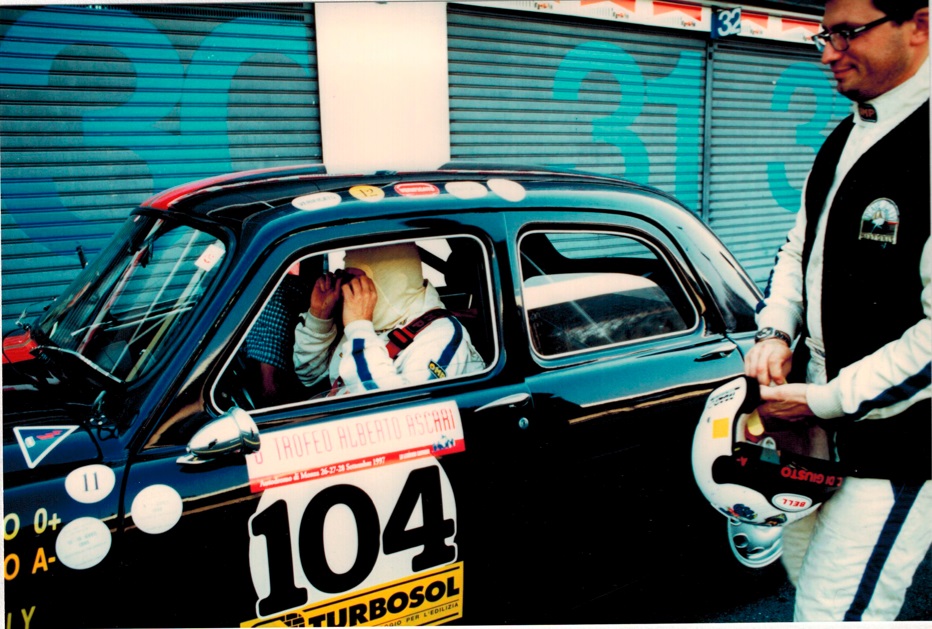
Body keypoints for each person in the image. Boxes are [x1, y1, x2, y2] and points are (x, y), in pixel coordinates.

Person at [744, 0, 931, 621]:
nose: (827, 53)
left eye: (849, 34)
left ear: (920, 25)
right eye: (825, 35)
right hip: (816, 435)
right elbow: (798, 249)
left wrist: (824, 399)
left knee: (832, 616)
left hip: (901, 444)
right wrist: (774, 331)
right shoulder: (846, 134)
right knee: (810, 590)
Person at [293, 242, 485, 395]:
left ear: (386, 283)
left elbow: (399, 412)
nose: (344, 289)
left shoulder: (441, 336)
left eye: (354, 282)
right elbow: (311, 377)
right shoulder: (370, 322)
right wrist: (319, 319)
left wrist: (359, 330)